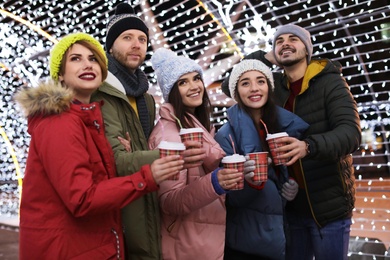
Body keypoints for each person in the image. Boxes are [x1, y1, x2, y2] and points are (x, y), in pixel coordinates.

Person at [14, 32, 184, 259]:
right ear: (61, 76)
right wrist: (147, 177)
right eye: (75, 59)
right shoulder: (59, 122)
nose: (87, 64)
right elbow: (82, 198)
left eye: (93, 59)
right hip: (67, 250)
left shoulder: (88, 120)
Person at [222, 24, 362, 260]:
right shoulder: (275, 87)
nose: (286, 43)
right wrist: (268, 56)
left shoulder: (330, 83)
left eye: (293, 39)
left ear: (307, 49)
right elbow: (232, 84)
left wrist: (307, 147)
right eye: (280, 41)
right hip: (290, 205)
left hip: (327, 205)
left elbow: (351, 134)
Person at [90, 3, 205, 259]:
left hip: (144, 196)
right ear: (110, 46)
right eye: (127, 38)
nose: (136, 44)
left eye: (142, 39)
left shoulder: (145, 98)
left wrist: (141, 152)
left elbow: (138, 151)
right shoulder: (101, 93)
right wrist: (170, 154)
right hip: (117, 208)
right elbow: (116, 160)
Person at [147, 48, 244, 260]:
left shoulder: (195, 124)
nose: (194, 87)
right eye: (183, 82)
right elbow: (169, 201)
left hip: (203, 242)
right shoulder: (169, 137)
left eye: (196, 78)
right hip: (186, 246)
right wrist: (215, 183)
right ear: (172, 91)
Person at [215, 59, 309, 259]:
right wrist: (249, 181)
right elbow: (229, 198)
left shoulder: (280, 128)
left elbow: (279, 178)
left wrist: (288, 188)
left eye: (260, 81)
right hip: (247, 244)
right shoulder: (226, 136)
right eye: (245, 83)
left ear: (269, 86)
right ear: (236, 92)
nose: (254, 88)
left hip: (281, 235)